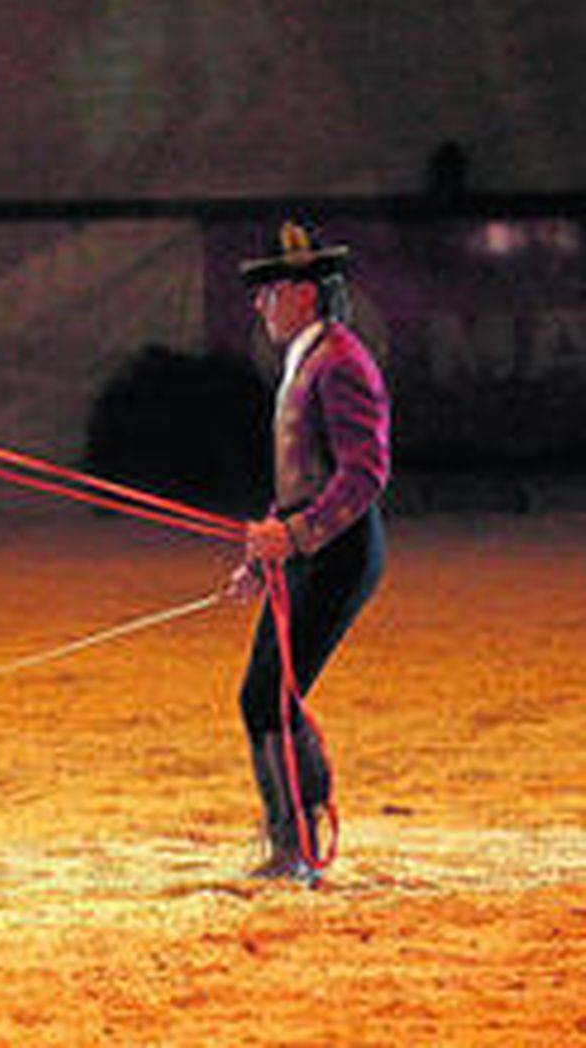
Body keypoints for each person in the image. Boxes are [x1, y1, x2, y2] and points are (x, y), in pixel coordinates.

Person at [226, 221, 390, 886]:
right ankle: (293, 835)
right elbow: (303, 478)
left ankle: (296, 848)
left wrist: (292, 538)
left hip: (340, 555)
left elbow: (365, 474)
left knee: (270, 695)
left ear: (300, 293)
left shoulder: (342, 363)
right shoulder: (308, 356)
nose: (258, 304)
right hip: (308, 552)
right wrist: (268, 552)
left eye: (267, 291)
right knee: (263, 696)